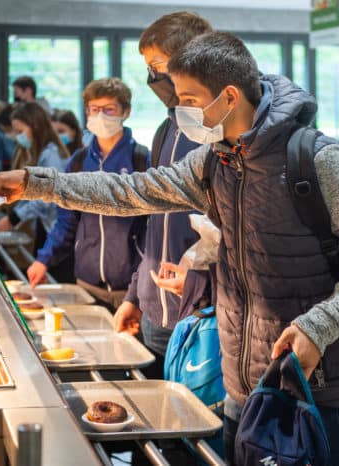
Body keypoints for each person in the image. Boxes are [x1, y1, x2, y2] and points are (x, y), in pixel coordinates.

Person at [0, 32, 339, 466]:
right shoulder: (215, 161)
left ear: (228, 96)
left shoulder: (315, 160)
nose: (180, 109)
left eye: (188, 98)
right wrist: (38, 183)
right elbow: (132, 191)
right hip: (242, 389)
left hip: (317, 392)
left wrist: (320, 324)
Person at [113, 11, 212, 379]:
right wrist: (135, 296)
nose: (153, 77)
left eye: (157, 65)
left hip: (201, 312)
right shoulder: (164, 129)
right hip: (156, 310)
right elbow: (153, 224)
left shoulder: (217, 133)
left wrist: (202, 285)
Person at [26, 78, 148, 311]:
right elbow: (66, 220)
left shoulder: (141, 159)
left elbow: (154, 228)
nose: (101, 116)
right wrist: (44, 259)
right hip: (87, 283)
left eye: (109, 109)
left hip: (133, 289)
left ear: (126, 111)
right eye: (95, 109)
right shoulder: (79, 161)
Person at [0, 102, 69, 257]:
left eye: (20, 131)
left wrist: (15, 218)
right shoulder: (39, 153)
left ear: (35, 126)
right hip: (46, 226)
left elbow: (47, 195)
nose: (17, 136)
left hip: (57, 230)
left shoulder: (51, 155)